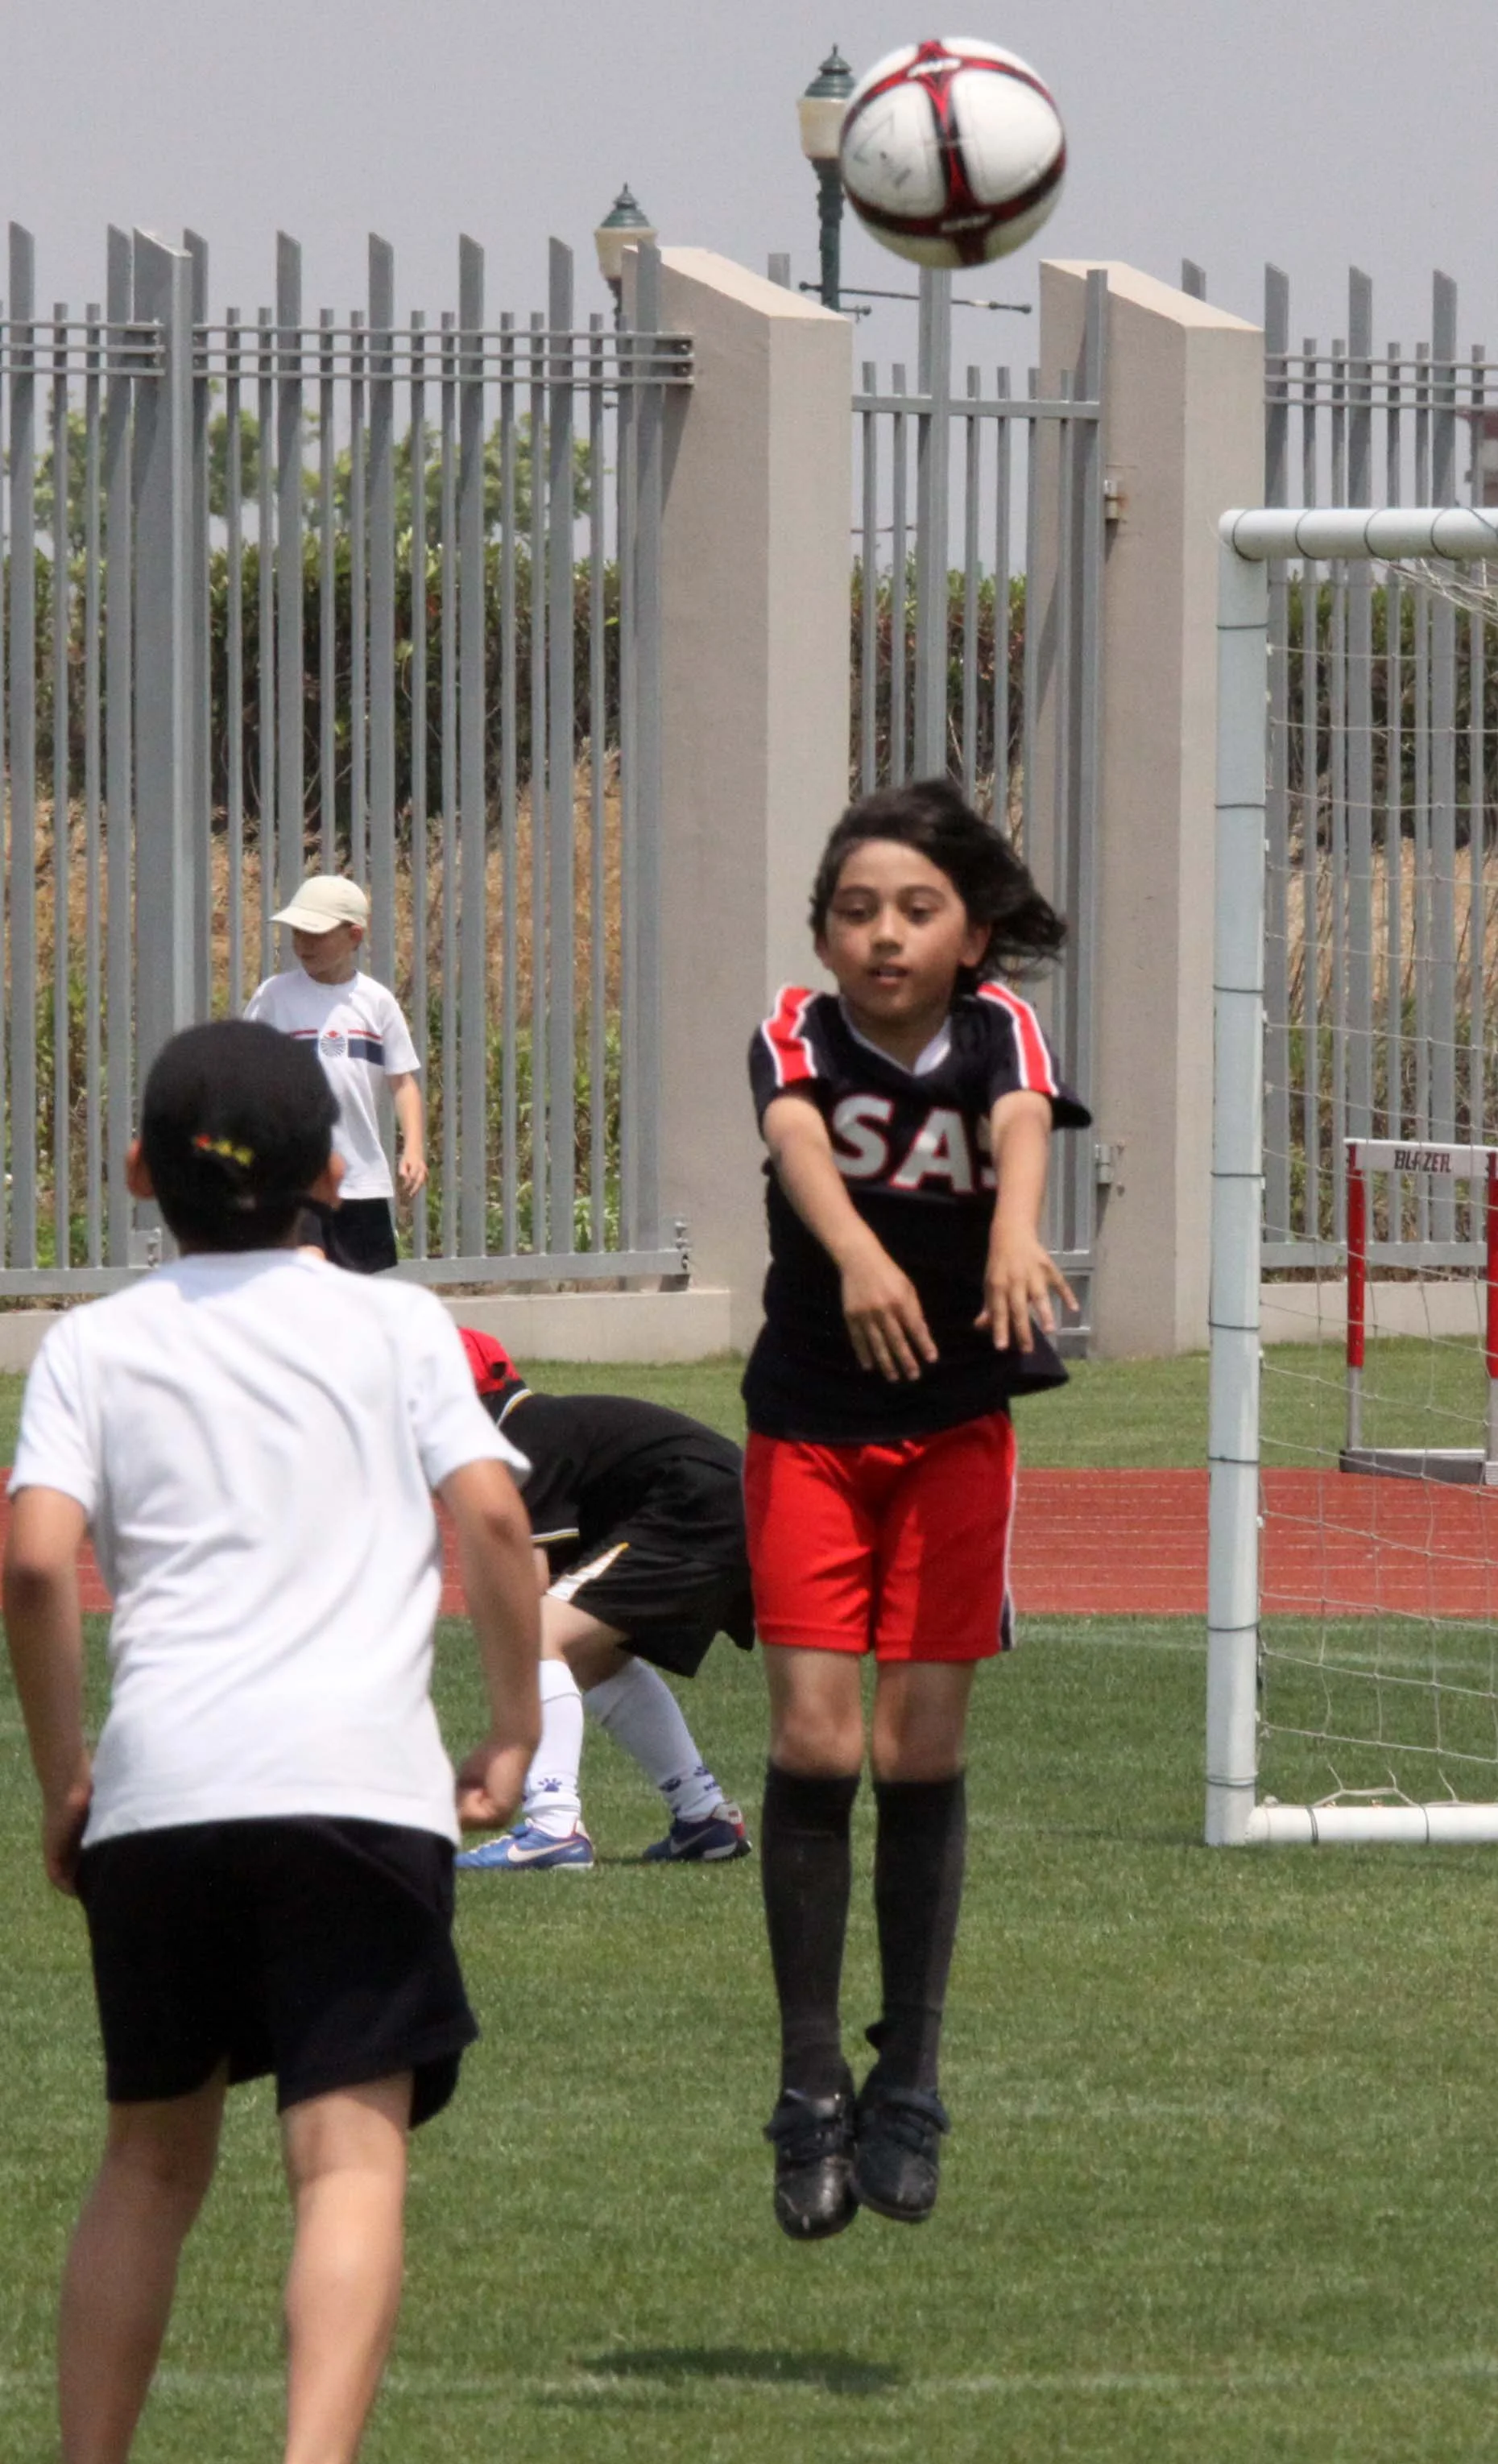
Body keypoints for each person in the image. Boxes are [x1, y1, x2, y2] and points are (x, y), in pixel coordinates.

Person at [2, 1019, 540, 2464]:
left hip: (161, 1792)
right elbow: (493, 1519)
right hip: (357, 1790)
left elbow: (37, 1561)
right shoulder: (396, 1324)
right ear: (327, 1168)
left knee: (149, 2160)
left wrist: (68, 1780)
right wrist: (515, 1724)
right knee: (348, 2164)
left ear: (135, 1173)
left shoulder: (93, 1346)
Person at [743, 779, 1090, 2240]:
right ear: (824, 933)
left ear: (973, 933)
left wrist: (1013, 1234)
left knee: (920, 1744)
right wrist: (863, 1261)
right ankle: (812, 2085)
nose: (883, 935)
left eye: (915, 910)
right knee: (816, 1740)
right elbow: (801, 1143)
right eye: (856, 910)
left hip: (952, 1430)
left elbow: (1019, 1122)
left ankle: (917, 2078)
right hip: (811, 1424)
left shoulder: (999, 1026)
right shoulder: (795, 1029)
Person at [453, 1329, 753, 1871]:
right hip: (721, 1505)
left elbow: (528, 1585)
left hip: (694, 1507)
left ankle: (552, 1825)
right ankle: (703, 1817)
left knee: (535, 1633)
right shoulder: (536, 1426)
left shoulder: (519, 1436)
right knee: (593, 1657)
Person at [245, 872, 425, 1272]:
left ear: (354, 936)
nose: (303, 943)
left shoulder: (377, 1003)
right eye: (297, 932)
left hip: (360, 1177)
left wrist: (412, 1148)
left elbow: (403, 1082)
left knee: (355, 1287)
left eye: (317, 933)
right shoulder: (274, 997)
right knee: (308, 1267)